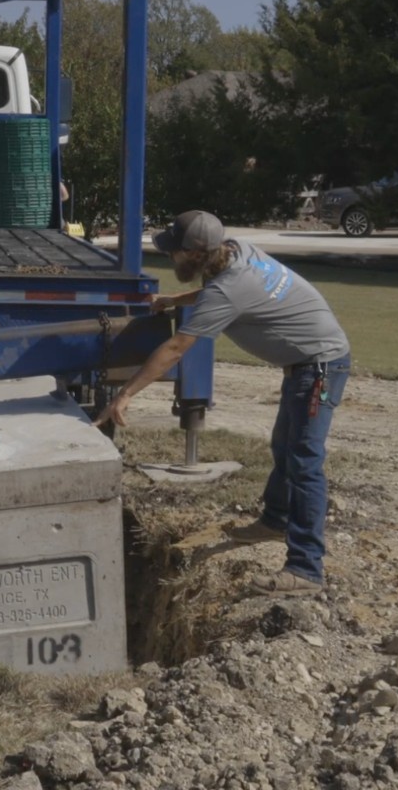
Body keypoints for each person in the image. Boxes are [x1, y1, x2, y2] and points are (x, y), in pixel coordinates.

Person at [95, 210, 351, 596]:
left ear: (195, 254)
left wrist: (126, 394)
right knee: (284, 447)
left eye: (174, 252)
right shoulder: (238, 251)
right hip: (309, 364)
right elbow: (218, 293)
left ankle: (305, 568)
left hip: (319, 369)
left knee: (304, 463)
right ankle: (275, 520)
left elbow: (177, 348)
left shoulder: (228, 288)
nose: (169, 257)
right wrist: (174, 299)